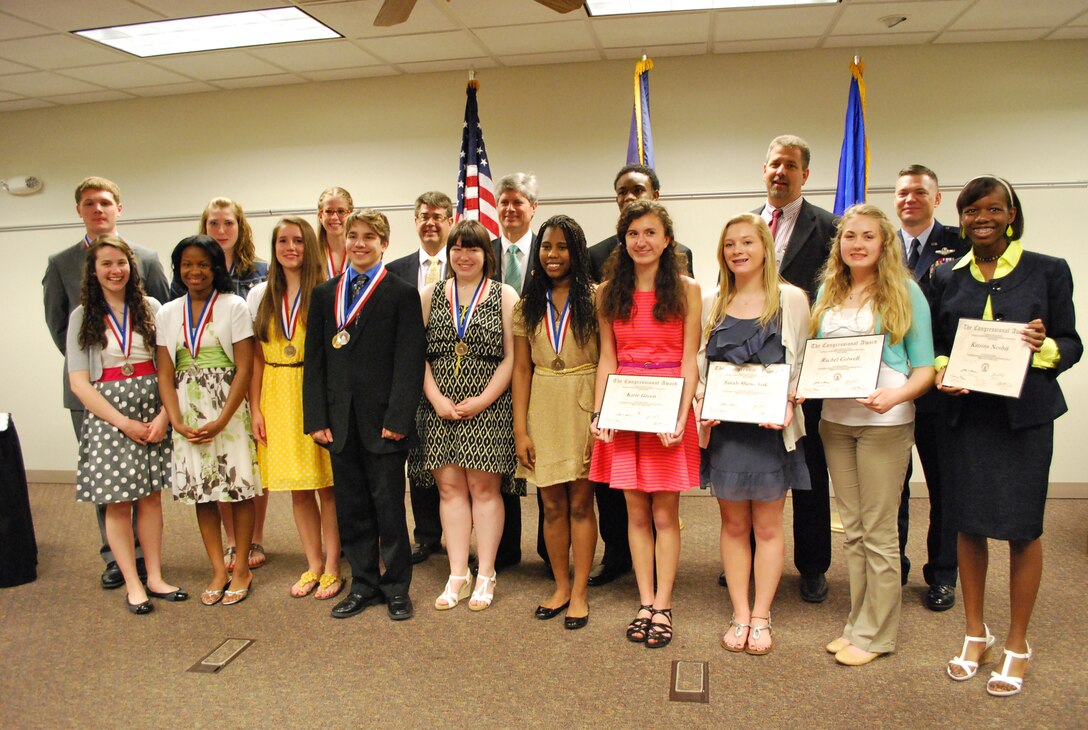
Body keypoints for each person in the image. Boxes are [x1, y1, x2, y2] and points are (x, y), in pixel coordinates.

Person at [932, 176, 1081, 696]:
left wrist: (1044, 345)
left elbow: (1072, 342)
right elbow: (941, 344)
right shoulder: (948, 276)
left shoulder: (1048, 270)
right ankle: (976, 633)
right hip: (968, 421)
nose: (982, 218)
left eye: (994, 209)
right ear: (962, 217)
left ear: (1011, 214)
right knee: (968, 526)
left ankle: (1018, 642)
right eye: (972, 210)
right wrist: (945, 368)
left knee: (1023, 529)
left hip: (1024, 421)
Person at [810, 204, 935, 666]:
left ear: (884, 243)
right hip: (836, 423)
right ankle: (857, 624)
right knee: (854, 531)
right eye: (849, 236)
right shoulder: (828, 289)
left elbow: (925, 370)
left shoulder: (905, 292)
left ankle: (877, 635)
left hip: (885, 423)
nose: (857, 244)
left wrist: (897, 396)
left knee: (880, 532)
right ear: (838, 244)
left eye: (867, 236)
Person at [43, 176, 170, 590]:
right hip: (96, 394)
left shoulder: (147, 259)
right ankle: (118, 561)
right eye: (89, 204)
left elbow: (165, 326)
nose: (98, 210)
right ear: (79, 210)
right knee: (110, 486)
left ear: (119, 207)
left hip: (150, 394)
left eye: (105, 202)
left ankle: (150, 570)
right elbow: (60, 327)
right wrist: (101, 372)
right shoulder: (60, 263)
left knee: (149, 490)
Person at [303, 209, 425, 622]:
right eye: (353, 236)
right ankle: (364, 584)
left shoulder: (401, 293)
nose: (359, 243)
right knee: (351, 506)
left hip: (383, 422)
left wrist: (398, 418)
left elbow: (409, 363)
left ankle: (396, 589)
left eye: (369, 237)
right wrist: (316, 416)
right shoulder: (325, 294)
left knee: (388, 507)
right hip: (339, 421)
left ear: (384, 244)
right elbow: (315, 360)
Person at [590, 200, 701, 649]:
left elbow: (689, 359)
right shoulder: (607, 292)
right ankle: (645, 600)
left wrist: (681, 414)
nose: (642, 241)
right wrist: (600, 414)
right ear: (624, 239)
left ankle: (665, 605)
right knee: (635, 511)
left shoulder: (689, 290)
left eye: (651, 233)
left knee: (664, 512)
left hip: (667, 408)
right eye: (634, 233)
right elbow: (607, 359)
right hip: (625, 406)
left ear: (667, 239)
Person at [698, 214, 810, 655]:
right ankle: (739, 612)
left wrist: (788, 401)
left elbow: (800, 364)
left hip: (771, 435)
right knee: (732, 524)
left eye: (747, 242)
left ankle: (762, 614)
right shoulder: (711, 300)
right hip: (727, 435)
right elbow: (700, 366)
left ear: (765, 246)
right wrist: (701, 406)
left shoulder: (791, 299)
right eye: (730, 244)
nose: (738, 250)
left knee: (767, 526)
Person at [67, 237, 182, 614]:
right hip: (110, 416)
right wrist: (123, 422)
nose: (115, 271)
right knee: (118, 503)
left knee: (150, 499)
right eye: (106, 264)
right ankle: (132, 583)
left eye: (121, 263)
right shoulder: (82, 316)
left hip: (153, 409)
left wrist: (165, 416)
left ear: (131, 266)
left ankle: (155, 577)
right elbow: (79, 382)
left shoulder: (151, 307)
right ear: (94, 271)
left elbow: (172, 366)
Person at [416, 220, 520, 612]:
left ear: (485, 255)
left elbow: (512, 357)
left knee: (483, 489)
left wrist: (483, 399)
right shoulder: (430, 294)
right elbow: (419, 355)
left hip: (488, 405)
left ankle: (487, 571)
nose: (463, 255)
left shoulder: (504, 294)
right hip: (439, 404)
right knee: (449, 490)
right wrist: (436, 398)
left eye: (472, 248)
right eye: (456, 248)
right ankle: (457, 573)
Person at [756, 134, 839, 603]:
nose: (779, 172)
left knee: (810, 470)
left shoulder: (829, 227)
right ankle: (745, 559)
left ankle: (812, 566)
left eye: (789, 165)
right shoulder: (746, 224)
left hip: (806, 370)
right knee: (751, 466)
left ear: (805, 174)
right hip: (751, 370)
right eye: (773, 164)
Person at [156, 235, 261, 607]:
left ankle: (242, 568)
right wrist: (175, 420)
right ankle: (218, 568)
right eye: (187, 264)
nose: (194, 271)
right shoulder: (167, 313)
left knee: (239, 491)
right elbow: (165, 373)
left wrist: (223, 419)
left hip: (228, 411)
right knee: (203, 494)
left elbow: (246, 367)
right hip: (187, 413)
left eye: (203, 264)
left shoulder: (233, 306)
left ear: (215, 267)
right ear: (178, 269)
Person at [170, 197, 270, 571]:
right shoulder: (181, 286)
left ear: (239, 227)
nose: (222, 230)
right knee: (209, 482)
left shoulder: (259, 271)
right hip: (194, 392)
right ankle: (231, 544)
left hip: (244, 375)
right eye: (214, 223)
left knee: (246, 471)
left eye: (228, 223)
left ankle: (253, 537)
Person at [247, 217, 342, 600]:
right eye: (283, 241)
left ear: (310, 247)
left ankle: (333, 567)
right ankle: (313, 564)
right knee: (298, 490)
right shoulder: (262, 296)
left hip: (313, 391)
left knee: (327, 487)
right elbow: (255, 360)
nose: (291, 248)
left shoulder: (326, 292)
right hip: (276, 394)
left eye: (298, 241)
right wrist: (255, 408)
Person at [513, 215, 599, 630]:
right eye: (547, 246)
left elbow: (607, 365)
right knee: (550, 505)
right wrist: (520, 430)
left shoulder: (597, 299)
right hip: (543, 404)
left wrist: (599, 420)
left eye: (563, 246)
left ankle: (581, 591)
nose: (553, 254)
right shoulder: (525, 306)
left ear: (576, 252)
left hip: (583, 403)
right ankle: (560, 585)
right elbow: (521, 372)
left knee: (582, 503)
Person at [892, 164, 969, 611]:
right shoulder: (881, 246)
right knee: (893, 486)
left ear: (937, 199)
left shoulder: (959, 247)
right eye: (902, 192)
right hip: (891, 387)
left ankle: (942, 575)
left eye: (919, 192)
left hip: (942, 389)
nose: (909, 199)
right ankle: (894, 567)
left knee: (944, 487)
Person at [388, 191, 452, 565]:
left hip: (454, 375)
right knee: (421, 460)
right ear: (415, 222)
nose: (430, 222)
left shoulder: (466, 261)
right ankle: (427, 535)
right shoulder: (396, 269)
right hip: (408, 377)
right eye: (424, 216)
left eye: (438, 216)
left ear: (450, 220)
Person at [490, 172, 538, 570]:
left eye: (517, 202)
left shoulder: (552, 250)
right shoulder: (481, 251)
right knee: (499, 461)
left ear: (532, 208)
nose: (509, 209)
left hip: (545, 371)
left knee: (545, 459)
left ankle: (548, 549)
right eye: (503, 202)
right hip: (491, 372)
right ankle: (505, 550)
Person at [316, 186, 354, 280]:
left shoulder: (360, 250)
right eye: (328, 211)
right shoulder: (311, 253)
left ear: (351, 215)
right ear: (320, 216)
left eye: (341, 211)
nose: (334, 217)